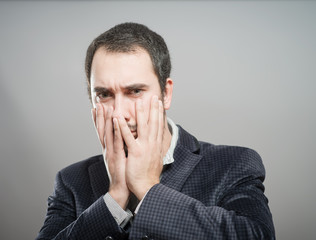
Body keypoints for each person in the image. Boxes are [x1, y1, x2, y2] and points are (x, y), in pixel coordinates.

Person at [36, 22, 275, 240]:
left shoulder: (232, 164)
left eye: (135, 91)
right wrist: (114, 199)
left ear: (166, 93)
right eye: (104, 94)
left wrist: (148, 188)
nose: (119, 113)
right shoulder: (70, 181)